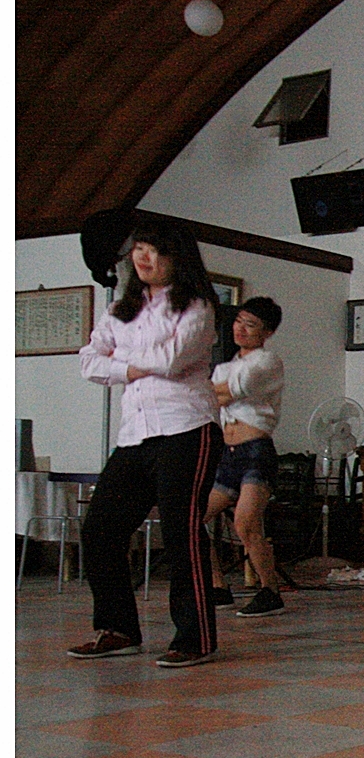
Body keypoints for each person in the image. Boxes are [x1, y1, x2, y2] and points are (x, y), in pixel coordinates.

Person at [70, 224, 225, 668]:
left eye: (155, 250)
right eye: (138, 248)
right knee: (100, 529)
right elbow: (88, 361)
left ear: (178, 258)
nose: (143, 258)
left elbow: (173, 361)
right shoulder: (121, 309)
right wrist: (131, 368)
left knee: (180, 532)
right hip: (134, 434)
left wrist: (119, 361)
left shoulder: (197, 306)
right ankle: (118, 628)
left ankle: (195, 638)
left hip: (186, 428)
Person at [203, 296, 287, 618]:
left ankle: (270, 590)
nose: (240, 329)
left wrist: (211, 391)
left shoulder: (268, 361)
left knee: (245, 523)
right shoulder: (224, 366)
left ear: (267, 332)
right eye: (238, 321)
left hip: (255, 452)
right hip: (227, 454)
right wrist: (212, 392)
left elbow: (226, 393)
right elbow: (212, 398)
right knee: (192, 518)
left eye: (250, 325)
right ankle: (218, 587)